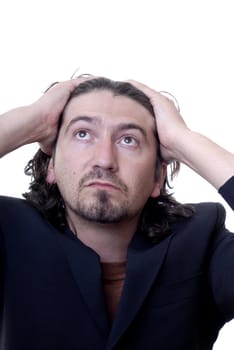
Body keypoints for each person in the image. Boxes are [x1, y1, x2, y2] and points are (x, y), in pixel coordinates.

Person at [0, 76, 234, 350]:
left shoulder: (202, 240)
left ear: (158, 176)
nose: (105, 160)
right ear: (51, 166)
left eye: (128, 140)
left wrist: (182, 140)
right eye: (83, 133)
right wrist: (31, 121)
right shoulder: (10, 229)